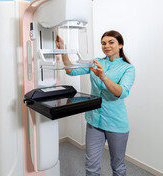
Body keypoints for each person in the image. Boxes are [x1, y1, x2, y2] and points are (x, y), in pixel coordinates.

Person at [56, 30, 135, 176]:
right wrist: (63, 49)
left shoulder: (127, 68)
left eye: (111, 42)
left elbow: (121, 92)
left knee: (118, 166)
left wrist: (103, 77)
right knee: (91, 165)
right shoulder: (97, 62)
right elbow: (70, 71)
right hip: (94, 121)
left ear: (120, 45)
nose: (106, 46)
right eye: (103, 43)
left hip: (115, 123)